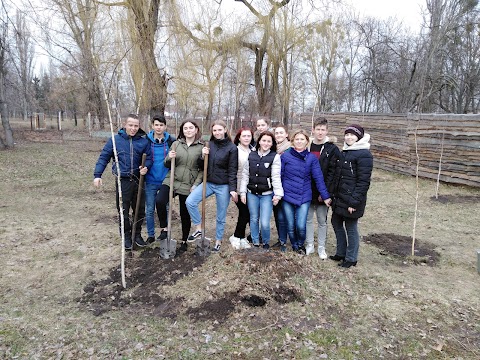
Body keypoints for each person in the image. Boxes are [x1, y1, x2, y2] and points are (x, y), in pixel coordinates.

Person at [93, 113, 152, 250]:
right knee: (123, 210)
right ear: (125, 124)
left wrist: (146, 167)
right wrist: (97, 175)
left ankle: (136, 235)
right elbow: (104, 157)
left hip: (139, 180)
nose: (133, 128)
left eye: (136, 126)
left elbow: (149, 157)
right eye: (130, 125)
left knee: (140, 209)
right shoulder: (115, 140)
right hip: (123, 180)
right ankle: (126, 236)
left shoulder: (143, 141)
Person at [185, 120, 238, 252]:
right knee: (190, 201)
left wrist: (232, 189)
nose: (217, 132)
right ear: (212, 132)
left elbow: (232, 170)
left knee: (220, 215)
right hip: (208, 182)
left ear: (225, 130)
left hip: (223, 186)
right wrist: (203, 156)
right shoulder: (209, 144)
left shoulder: (232, 148)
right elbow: (200, 165)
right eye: (215, 130)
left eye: (220, 130)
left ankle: (218, 240)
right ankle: (199, 227)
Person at [155, 120, 203, 253]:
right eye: (185, 128)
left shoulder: (201, 147)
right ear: (183, 131)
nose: (188, 130)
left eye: (191, 128)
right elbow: (166, 163)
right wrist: (169, 157)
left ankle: (184, 241)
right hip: (172, 180)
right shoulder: (176, 144)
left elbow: (202, 170)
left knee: (184, 213)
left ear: (196, 130)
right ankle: (164, 229)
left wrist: (196, 184)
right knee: (159, 201)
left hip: (188, 183)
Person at [281, 129, 331, 254]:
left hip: (304, 196)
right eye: (297, 139)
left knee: (300, 226)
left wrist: (325, 196)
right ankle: (295, 246)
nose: (299, 141)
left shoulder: (311, 158)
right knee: (291, 225)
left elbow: (318, 178)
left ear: (307, 141)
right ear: (292, 141)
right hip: (287, 195)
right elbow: (279, 176)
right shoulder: (285, 156)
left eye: (302, 139)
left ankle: (300, 243)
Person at [329, 124, 373, 268]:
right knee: (336, 222)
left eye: (352, 135)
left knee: (351, 227)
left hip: (352, 200)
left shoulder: (364, 154)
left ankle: (351, 258)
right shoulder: (346, 151)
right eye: (347, 134)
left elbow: (363, 181)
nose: (349, 137)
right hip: (340, 197)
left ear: (359, 137)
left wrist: (354, 202)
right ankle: (341, 253)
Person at [240, 131, 283, 249]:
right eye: (264, 140)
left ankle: (266, 242)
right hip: (252, 194)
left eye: (269, 141)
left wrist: (278, 195)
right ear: (259, 141)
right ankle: (255, 242)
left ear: (272, 143)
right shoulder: (251, 155)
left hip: (266, 195)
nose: (266, 143)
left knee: (264, 222)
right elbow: (245, 175)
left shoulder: (274, 157)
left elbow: (276, 177)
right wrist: (243, 192)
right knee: (253, 219)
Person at [305, 117, 340, 258]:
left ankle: (321, 247)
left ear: (327, 131)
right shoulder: (307, 146)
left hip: (323, 191)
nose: (320, 132)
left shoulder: (332, 149)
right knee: (307, 219)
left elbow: (334, 172)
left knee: (321, 220)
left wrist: (326, 193)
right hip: (307, 190)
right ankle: (309, 245)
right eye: (317, 129)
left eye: (323, 130)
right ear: (313, 130)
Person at [145, 115, 175, 244]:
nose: (159, 127)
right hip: (150, 180)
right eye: (156, 125)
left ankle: (166, 231)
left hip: (165, 181)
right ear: (152, 125)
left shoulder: (171, 142)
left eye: (161, 125)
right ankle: (151, 235)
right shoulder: (146, 140)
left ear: (165, 126)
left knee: (166, 207)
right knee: (150, 209)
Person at [229, 127, 255, 249]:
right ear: (239, 137)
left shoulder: (253, 150)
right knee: (245, 212)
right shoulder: (235, 151)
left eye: (248, 136)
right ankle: (236, 236)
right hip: (239, 186)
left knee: (249, 212)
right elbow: (232, 170)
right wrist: (233, 189)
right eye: (244, 136)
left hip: (250, 187)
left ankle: (244, 237)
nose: (246, 138)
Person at [271, 125, 291, 251]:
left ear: (286, 134)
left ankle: (289, 240)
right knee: (278, 215)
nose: (278, 135)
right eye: (276, 133)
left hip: (287, 186)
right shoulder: (274, 149)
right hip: (275, 186)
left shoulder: (290, 149)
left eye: (281, 133)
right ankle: (281, 239)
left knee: (284, 215)